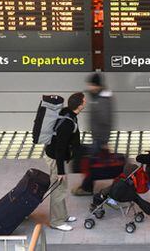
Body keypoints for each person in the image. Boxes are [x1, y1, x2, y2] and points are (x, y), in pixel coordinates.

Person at [45, 92, 86, 231]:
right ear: (79, 105)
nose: (85, 102)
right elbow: (59, 149)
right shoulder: (67, 123)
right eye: (84, 101)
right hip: (56, 158)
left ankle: (62, 215)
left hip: (58, 156)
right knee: (58, 190)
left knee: (61, 189)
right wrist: (61, 171)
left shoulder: (68, 113)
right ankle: (56, 221)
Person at [72, 73, 114, 196]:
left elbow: (106, 121)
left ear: (97, 86)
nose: (88, 87)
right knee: (92, 163)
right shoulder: (97, 96)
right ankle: (87, 186)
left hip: (100, 138)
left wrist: (104, 141)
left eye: (91, 84)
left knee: (92, 164)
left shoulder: (103, 100)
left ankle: (87, 188)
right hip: (97, 136)